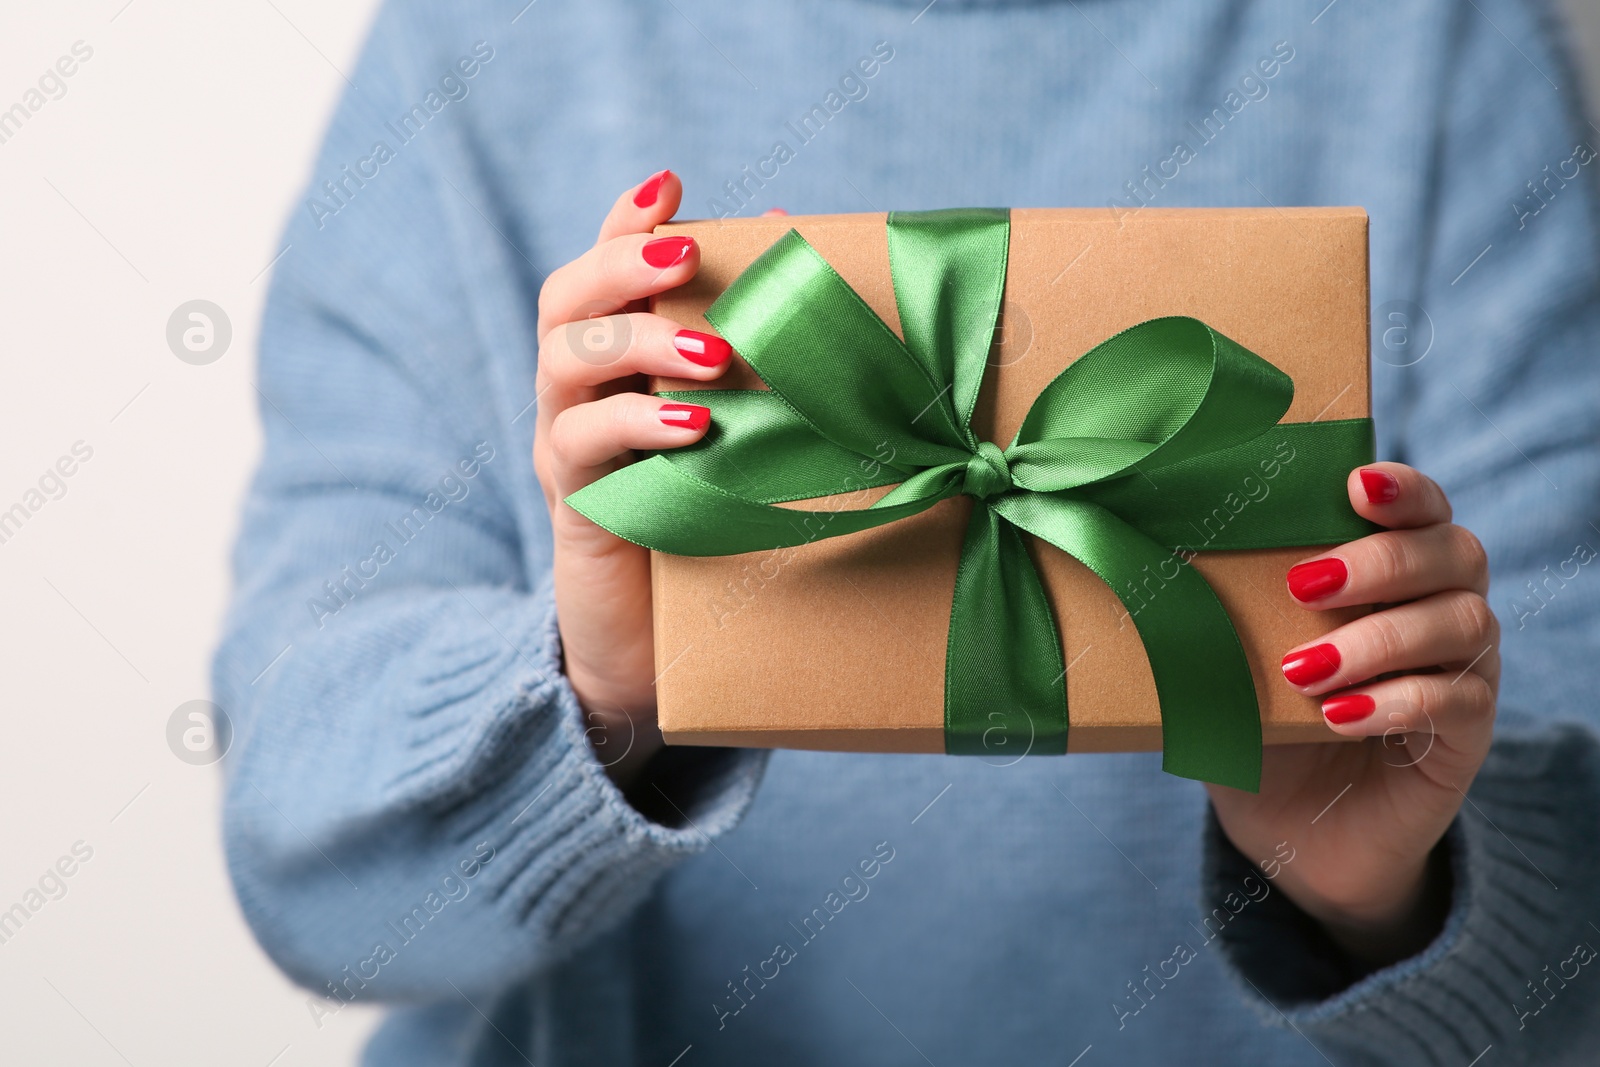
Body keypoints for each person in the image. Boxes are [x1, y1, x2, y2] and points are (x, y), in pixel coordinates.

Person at [215, 0, 1600, 1063]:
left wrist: (1386, 887)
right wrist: (601, 699)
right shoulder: (484, 42)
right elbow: (302, 858)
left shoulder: (1429, 42)